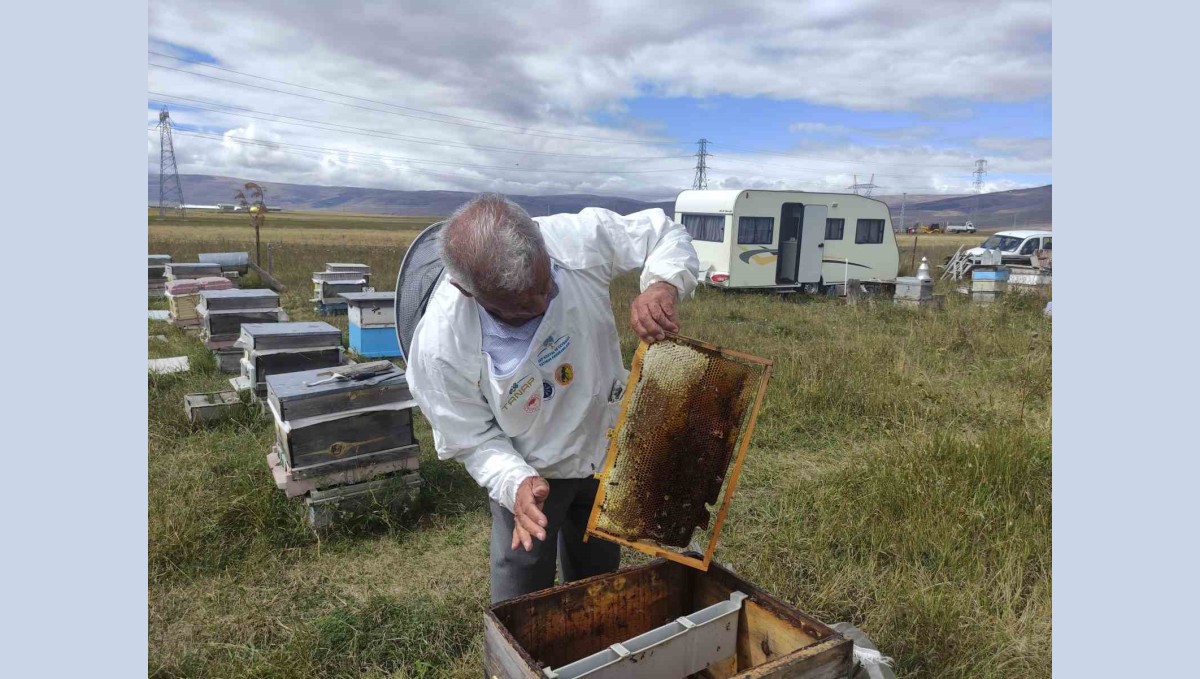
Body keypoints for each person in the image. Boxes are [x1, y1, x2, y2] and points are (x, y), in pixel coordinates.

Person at [405, 193, 699, 603]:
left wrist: (663, 285)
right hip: (531, 474)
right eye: (521, 308)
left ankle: (591, 653)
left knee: (597, 571)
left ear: (542, 245)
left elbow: (664, 234)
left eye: (547, 288)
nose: (543, 304)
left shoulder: (573, 238)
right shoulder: (440, 346)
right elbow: (469, 437)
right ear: (466, 290)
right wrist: (514, 482)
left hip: (605, 447)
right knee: (522, 590)